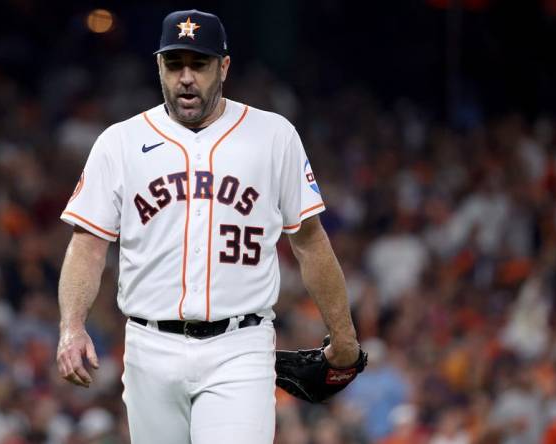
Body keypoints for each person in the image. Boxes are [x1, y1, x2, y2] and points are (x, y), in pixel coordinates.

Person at [56, 9, 360, 443]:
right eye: (174, 64)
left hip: (240, 346)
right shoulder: (119, 142)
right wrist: (72, 326)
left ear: (224, 67)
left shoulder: (274, 135)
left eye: (198, 65)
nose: (185, 77)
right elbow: (87, 244)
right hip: (149, 347)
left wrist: (344, 337)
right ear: (158, 65)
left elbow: (310, 242)